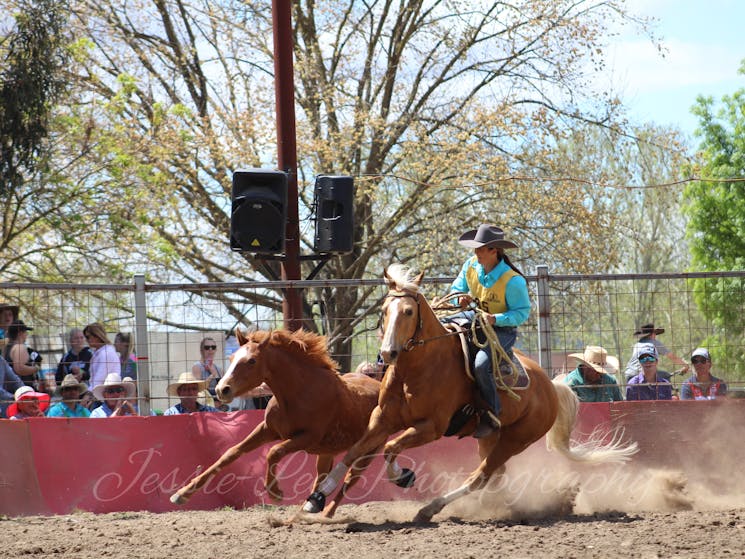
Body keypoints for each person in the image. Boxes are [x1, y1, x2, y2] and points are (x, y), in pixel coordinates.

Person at [448, 224, 531, 438]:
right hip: (474, 320)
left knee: (481, 365)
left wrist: (496, 319)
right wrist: (460, 297)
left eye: (480, 249)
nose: (476, 253)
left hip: (501, 331)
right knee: (443, 329)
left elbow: (522, 313)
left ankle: (492, 412)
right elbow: (456, 288)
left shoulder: (512, 281)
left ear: (494, 250)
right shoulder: (471, 266)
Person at [624, 323, 689, 382]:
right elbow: (672, 357)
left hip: (629, 374)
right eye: (655, 333)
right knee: (665, 376)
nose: (655, 336)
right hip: (642, 373)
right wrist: (685, 365)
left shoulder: (637, 344)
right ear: (652, 334)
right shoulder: (654, 343)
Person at [3, 320, 42, 388]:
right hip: (22, 390)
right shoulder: (19, 347)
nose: (26, 334)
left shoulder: (6, 349)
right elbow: (20, 369)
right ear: (20, 333)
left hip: (11, 388)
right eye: (25, 332)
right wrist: (36, 368)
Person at [83, 323, 120, 390]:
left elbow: (99, 379)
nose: (86, 340)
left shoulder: (106, 353)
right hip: (101, 392)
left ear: (97, 336)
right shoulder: (99, 352)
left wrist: (89, 394)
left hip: (108, 392)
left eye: (88, 337)